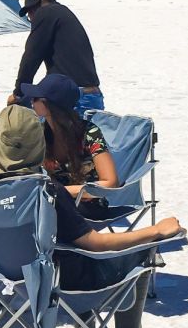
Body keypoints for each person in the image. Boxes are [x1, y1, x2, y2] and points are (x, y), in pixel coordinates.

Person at [0, 104, 184, 328]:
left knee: (68, 252)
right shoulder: (48, 192)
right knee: (138, 251)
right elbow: (95, 244)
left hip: (6, 275)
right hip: (56, 282)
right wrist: (155, 231)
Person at [17, 73, 118, 220]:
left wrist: (61, 192)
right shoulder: (41, 132)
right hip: (52, 203)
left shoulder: (89, 133)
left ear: (50, 105)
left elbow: (111, 183)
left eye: (36, 98)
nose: (31, 101)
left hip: (86, 206)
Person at [9, 0, 104, 114]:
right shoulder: (63, 13)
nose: (30, 17)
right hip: (92, 96)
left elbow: (32, 56)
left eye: (31, 11)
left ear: (43, 2)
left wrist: (18, 93)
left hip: (72, 98)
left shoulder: (46, 12)